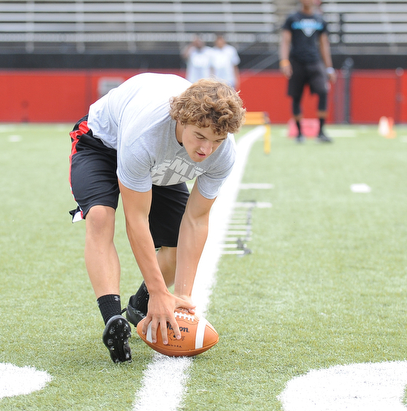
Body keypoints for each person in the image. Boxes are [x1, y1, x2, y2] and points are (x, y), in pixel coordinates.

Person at [69, 73, 245, 363]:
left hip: (158, 161)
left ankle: (140, 305)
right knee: (100, 217)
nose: (206, 150)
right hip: (101, 143)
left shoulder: (221, 152)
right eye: (200, 136)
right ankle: (114, 321)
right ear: (181, 119)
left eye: (217, 140)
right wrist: (158, 290)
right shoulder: (146, 135)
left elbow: (196, 220)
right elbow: (137, 219)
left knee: (176, 245)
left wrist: (182, 298)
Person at [279, 0, 336, 143]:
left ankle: (321, 132)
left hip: (315, 62)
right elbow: (285, 41)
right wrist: (284, 61)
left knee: (323, 92)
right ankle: (299, 133)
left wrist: (329, 67)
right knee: (296, 97)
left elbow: (324, 44)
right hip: (297, 62)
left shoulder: (320, 20)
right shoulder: (292, 18)